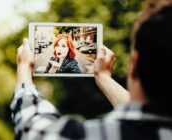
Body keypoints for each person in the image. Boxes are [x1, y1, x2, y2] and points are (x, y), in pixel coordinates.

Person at [10, 1, 172, 140]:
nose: (59, 48)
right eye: (57, 45)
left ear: (134, 64)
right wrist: (103, 78)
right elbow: (143, 117)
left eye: (63, 45)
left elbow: (36, 130)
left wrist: (24, 70)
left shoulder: (94, 134)